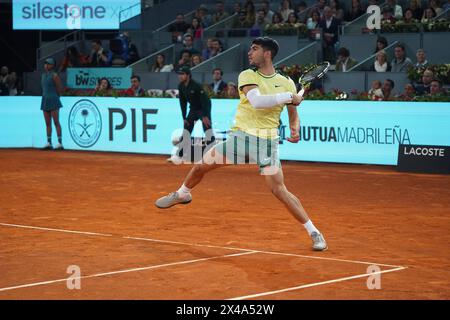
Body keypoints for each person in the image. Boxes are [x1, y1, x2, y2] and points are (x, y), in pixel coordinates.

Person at [155, 37, 328, 252]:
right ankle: (182, 194)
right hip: (239, 140)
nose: (249, 53)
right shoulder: (247, 75)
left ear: (267, 54)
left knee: (279, 190)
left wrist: (295, 127)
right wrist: (287, 96)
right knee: (201, 166)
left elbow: (293, 113)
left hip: (266, 143)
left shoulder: (287, 82)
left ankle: (314, 232)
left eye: (254, 49)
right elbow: (257, 102)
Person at [169, 65, 215, 163]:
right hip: (193, 109)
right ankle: (179, 156)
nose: (180, 76)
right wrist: (184, 117)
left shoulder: (197, 85)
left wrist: (205, 116)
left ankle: (213, 155)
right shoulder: (181, 86)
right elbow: (182, 102)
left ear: (188, 75)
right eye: (179, 74)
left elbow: (205, 101)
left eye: (183, 74)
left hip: (203, 109)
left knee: (207, 131)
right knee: (186, 131)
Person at [40, 58, 64, 150]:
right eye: (45, 63)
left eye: (48, 64)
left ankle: (60, 143)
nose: (46, 65)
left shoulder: (55, 76)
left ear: (52, 65)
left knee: (56, 122)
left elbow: (59, 89)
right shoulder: (43, 76)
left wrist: (56, 97)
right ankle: (49, 143)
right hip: (45, 100)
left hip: (54, 99)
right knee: (47, 123)